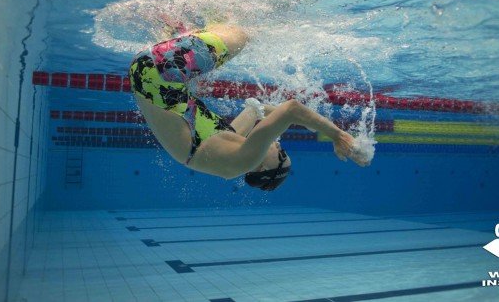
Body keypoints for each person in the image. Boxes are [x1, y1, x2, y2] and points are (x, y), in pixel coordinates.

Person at [128, 23, 372, 192]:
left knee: (240, 34)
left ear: (264, 167)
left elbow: (291, 109)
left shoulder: (243, 161)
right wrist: (292, 120)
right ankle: (178, 22)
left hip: (161, 73)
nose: (279, 146)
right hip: (149, 73)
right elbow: (256, 110)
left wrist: (337, 135)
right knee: (216, 29)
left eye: (281, 155)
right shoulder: (227, 156)